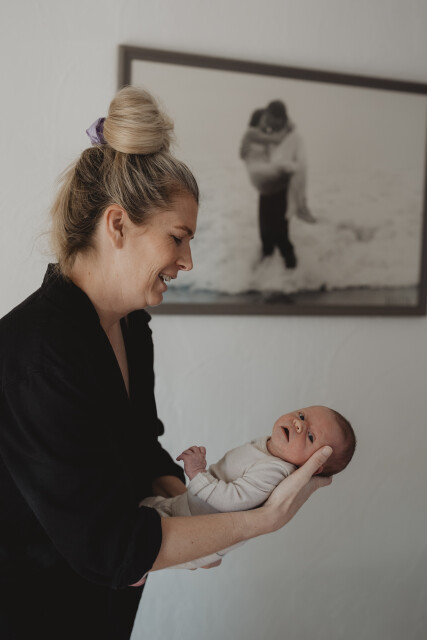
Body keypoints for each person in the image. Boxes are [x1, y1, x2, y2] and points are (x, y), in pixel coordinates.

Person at [0, 86, 333, 640]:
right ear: (117, 225)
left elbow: (141, 449)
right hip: (33, 612)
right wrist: (259, 519)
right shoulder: (35, 356)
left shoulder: (132, 326)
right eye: (177, 238)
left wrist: (200, 508)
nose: (187, 260)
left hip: (104, 612)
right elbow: (112, 548)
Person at [141, 405, 355, 569]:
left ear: (314, 465)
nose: (298, 424)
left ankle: (138, 569)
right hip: (188, 508)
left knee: (143, 543)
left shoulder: (275, 470)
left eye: (310, 436)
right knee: (143, 512)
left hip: (197, 532)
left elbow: (232, 500)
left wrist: (197, 473)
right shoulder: (269, 446)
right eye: (301, 415)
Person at [240, 100, 315, 269]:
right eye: (266, 118)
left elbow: (300, 168)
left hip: (281, 191)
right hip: (265, 191)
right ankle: (266, 266)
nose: (267, 122)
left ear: (280, 118)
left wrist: (300, 200)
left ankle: (291, 270)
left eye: (270, 118)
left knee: (280, 233)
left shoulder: (292, 138)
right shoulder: (267, 134)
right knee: (265, 233)